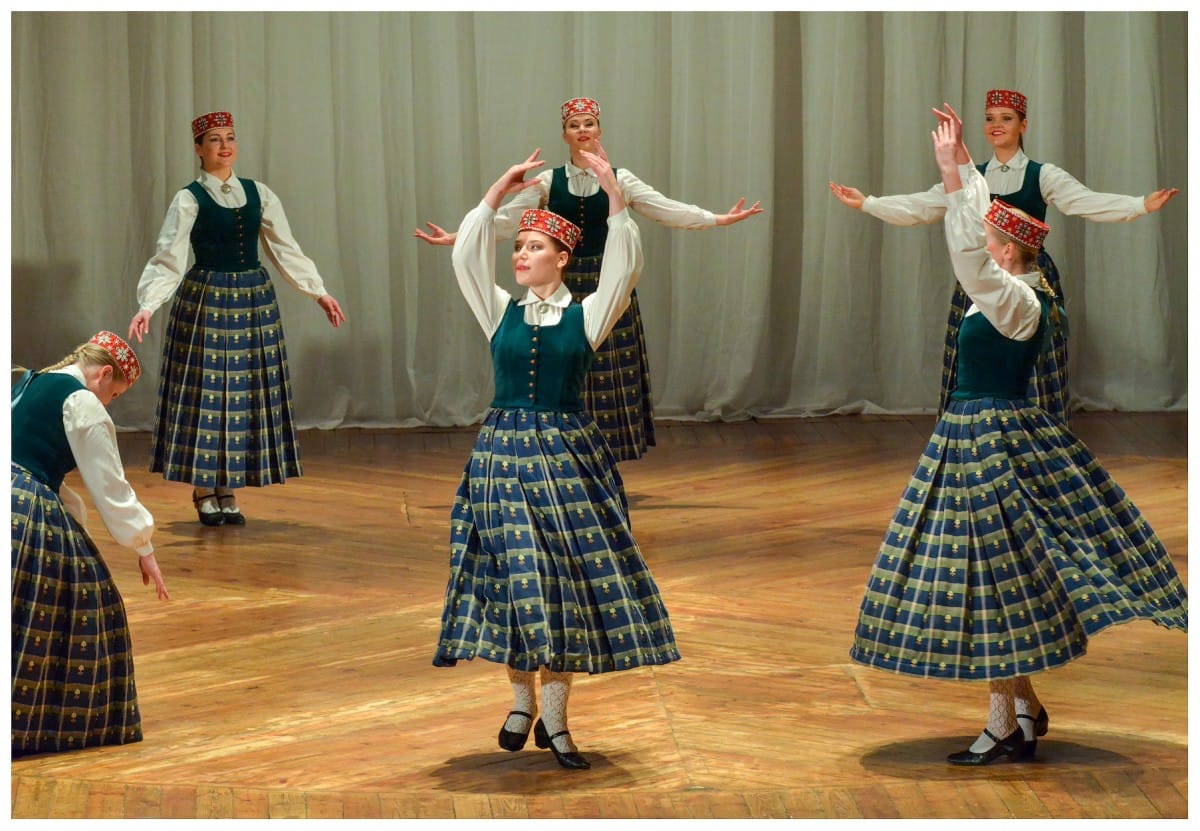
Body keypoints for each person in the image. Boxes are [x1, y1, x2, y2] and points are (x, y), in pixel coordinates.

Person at [848, 105, 1187, 766]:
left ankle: (1005, 721)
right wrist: (962, 171)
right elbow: (973, 238)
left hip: (990, 443)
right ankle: (1019, 710)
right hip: (976, 437)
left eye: (992, 240)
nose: (984, 243)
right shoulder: (1012, 290)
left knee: (994, 578)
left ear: (1008, 251)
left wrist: (952, 175)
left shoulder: (1014, 299)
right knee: (995, 576)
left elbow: (966, 254)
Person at [431, 147, 681, 770]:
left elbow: (625, 265)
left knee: (563, 586)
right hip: (502, 458)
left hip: (569, 458)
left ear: (563, 258)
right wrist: (497, 189)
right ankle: (522, 704)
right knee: (516, 580)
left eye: (534, 247)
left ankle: (559, 721)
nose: (520, 255)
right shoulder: (499, 311)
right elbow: (465, 255)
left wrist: (614, 195)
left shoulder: (588, 315)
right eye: (517, 247)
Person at [415, 96, 763, 462]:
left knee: (609, 373)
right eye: (574, 125)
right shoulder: (548, 182)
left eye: (589, 123)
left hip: (608, 281)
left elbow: (664, 208)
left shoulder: (619, 179)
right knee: (563, 370)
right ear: (564, 134)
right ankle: (561, 454)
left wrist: (715, 218)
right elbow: (508, 219)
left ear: (599, 129)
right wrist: (458, 237)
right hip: (561, 283)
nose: (582, 130)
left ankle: (604, 461)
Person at [829, 88, 1178, 425]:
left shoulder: (1042, 174)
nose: (996, 124)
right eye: (990, 118)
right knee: (976, 355)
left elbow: (1084, 201)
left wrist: (1138, 205)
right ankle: (970, 432)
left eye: (1006, 118)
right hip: (983, 274)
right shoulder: (974, 177)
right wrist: (869, 203)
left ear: (1023, 125)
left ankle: (1040, 436)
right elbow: (924, 204)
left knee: (1034, 360)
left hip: (1026, 275)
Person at [127, 111, 347, 526]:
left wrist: (318, 291)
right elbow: (168, 256)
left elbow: (286, 248)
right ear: (198, 148)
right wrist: (148, 305)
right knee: (207, 392)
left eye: (230, 138)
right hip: (207, 300)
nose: (225, 146)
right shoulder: (189, 198)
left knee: (242, 394)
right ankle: (202, 487)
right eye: (215, 139)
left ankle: (227, 486)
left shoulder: (259, 193)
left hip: (252, 300)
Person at [12, 331, 170, 756]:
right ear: (104, 376)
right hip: (20, 508)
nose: (109, 403)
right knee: (90, 602)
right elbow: (110, 486)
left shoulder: (30, 381)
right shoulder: (82, 402)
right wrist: (144, 547)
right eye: (114, 395)